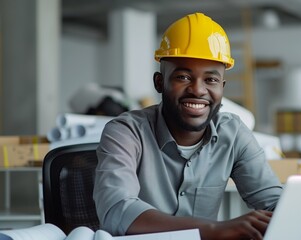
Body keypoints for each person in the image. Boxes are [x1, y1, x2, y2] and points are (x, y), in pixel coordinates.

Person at [93, 12, 282, 240]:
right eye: (183, 77)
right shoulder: (126, 132)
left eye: (211, 80)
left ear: (222, 87)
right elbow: (117, 210)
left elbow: (275, 203)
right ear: (159, 82)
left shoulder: (232, 134)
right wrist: (215, 230)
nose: (198, 90)